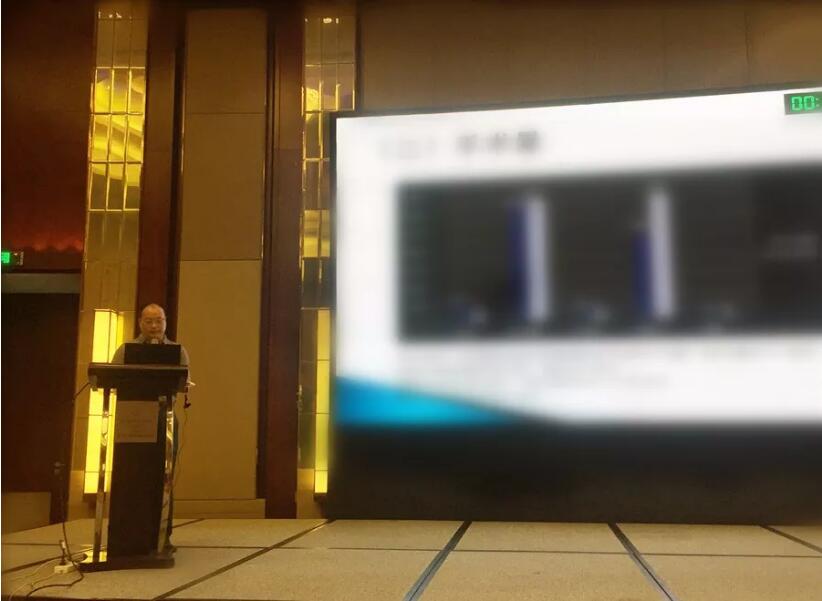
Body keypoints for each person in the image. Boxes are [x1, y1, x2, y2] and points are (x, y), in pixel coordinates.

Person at [111, 303, 189, 554]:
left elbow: (184, 381)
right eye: (149, 321)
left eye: (159, 321)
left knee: (164, 476)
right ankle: (127, 533)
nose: (154, 326)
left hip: (165, 418)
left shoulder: (177, 351)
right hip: (132, 419)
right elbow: (112, 379)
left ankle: (163, 535)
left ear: (166, 322)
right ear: (140, 323)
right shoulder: (126, 350)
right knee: (131, 473)